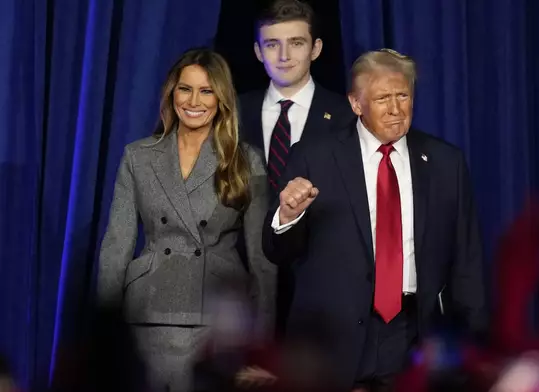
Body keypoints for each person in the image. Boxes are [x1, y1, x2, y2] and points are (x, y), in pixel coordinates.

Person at [262, 49, 488, 391]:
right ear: (356, 104)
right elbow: (276, 250)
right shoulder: (314, 156)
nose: (396, 109)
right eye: (383, 98)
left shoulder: (445, 162)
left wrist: (474, 347)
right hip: (333, 340)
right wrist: (288, 216)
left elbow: (467, 261)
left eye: (403, 96)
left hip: (413, 335)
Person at [98, 48, 276, 392]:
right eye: (185, 89)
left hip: (216, 320)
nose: (194, 101)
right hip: (147, 314)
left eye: (206, 90)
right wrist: (104, 338)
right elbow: (116, 248)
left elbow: (262, 261)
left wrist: (262, 347)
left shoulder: (246, 161)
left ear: (221, 98)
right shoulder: (138, 156)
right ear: (172, 93)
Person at [238, 0, 355, 338]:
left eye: (297, 43)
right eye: (272, 44)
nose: (284, 55)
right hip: (245, 295)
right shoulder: (232, 112)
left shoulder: (347, 116)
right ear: (258, 52)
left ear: (316, 49)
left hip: (321, 291)